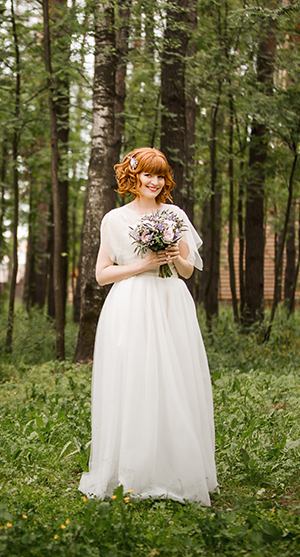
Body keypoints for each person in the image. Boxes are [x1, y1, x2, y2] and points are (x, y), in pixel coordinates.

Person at [78, 147, 218, 507]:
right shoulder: (113, 219)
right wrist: (142, 265)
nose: (154, 182)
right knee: (136, 380)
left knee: (175, 381)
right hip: (131, 305)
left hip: (172, 301)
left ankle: (177, 468)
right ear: (133, 177)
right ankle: (133, 472)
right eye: (147, 175)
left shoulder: (174, 214)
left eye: (160, 176)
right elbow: (102, 274)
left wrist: (174, 257)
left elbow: (188, 271)